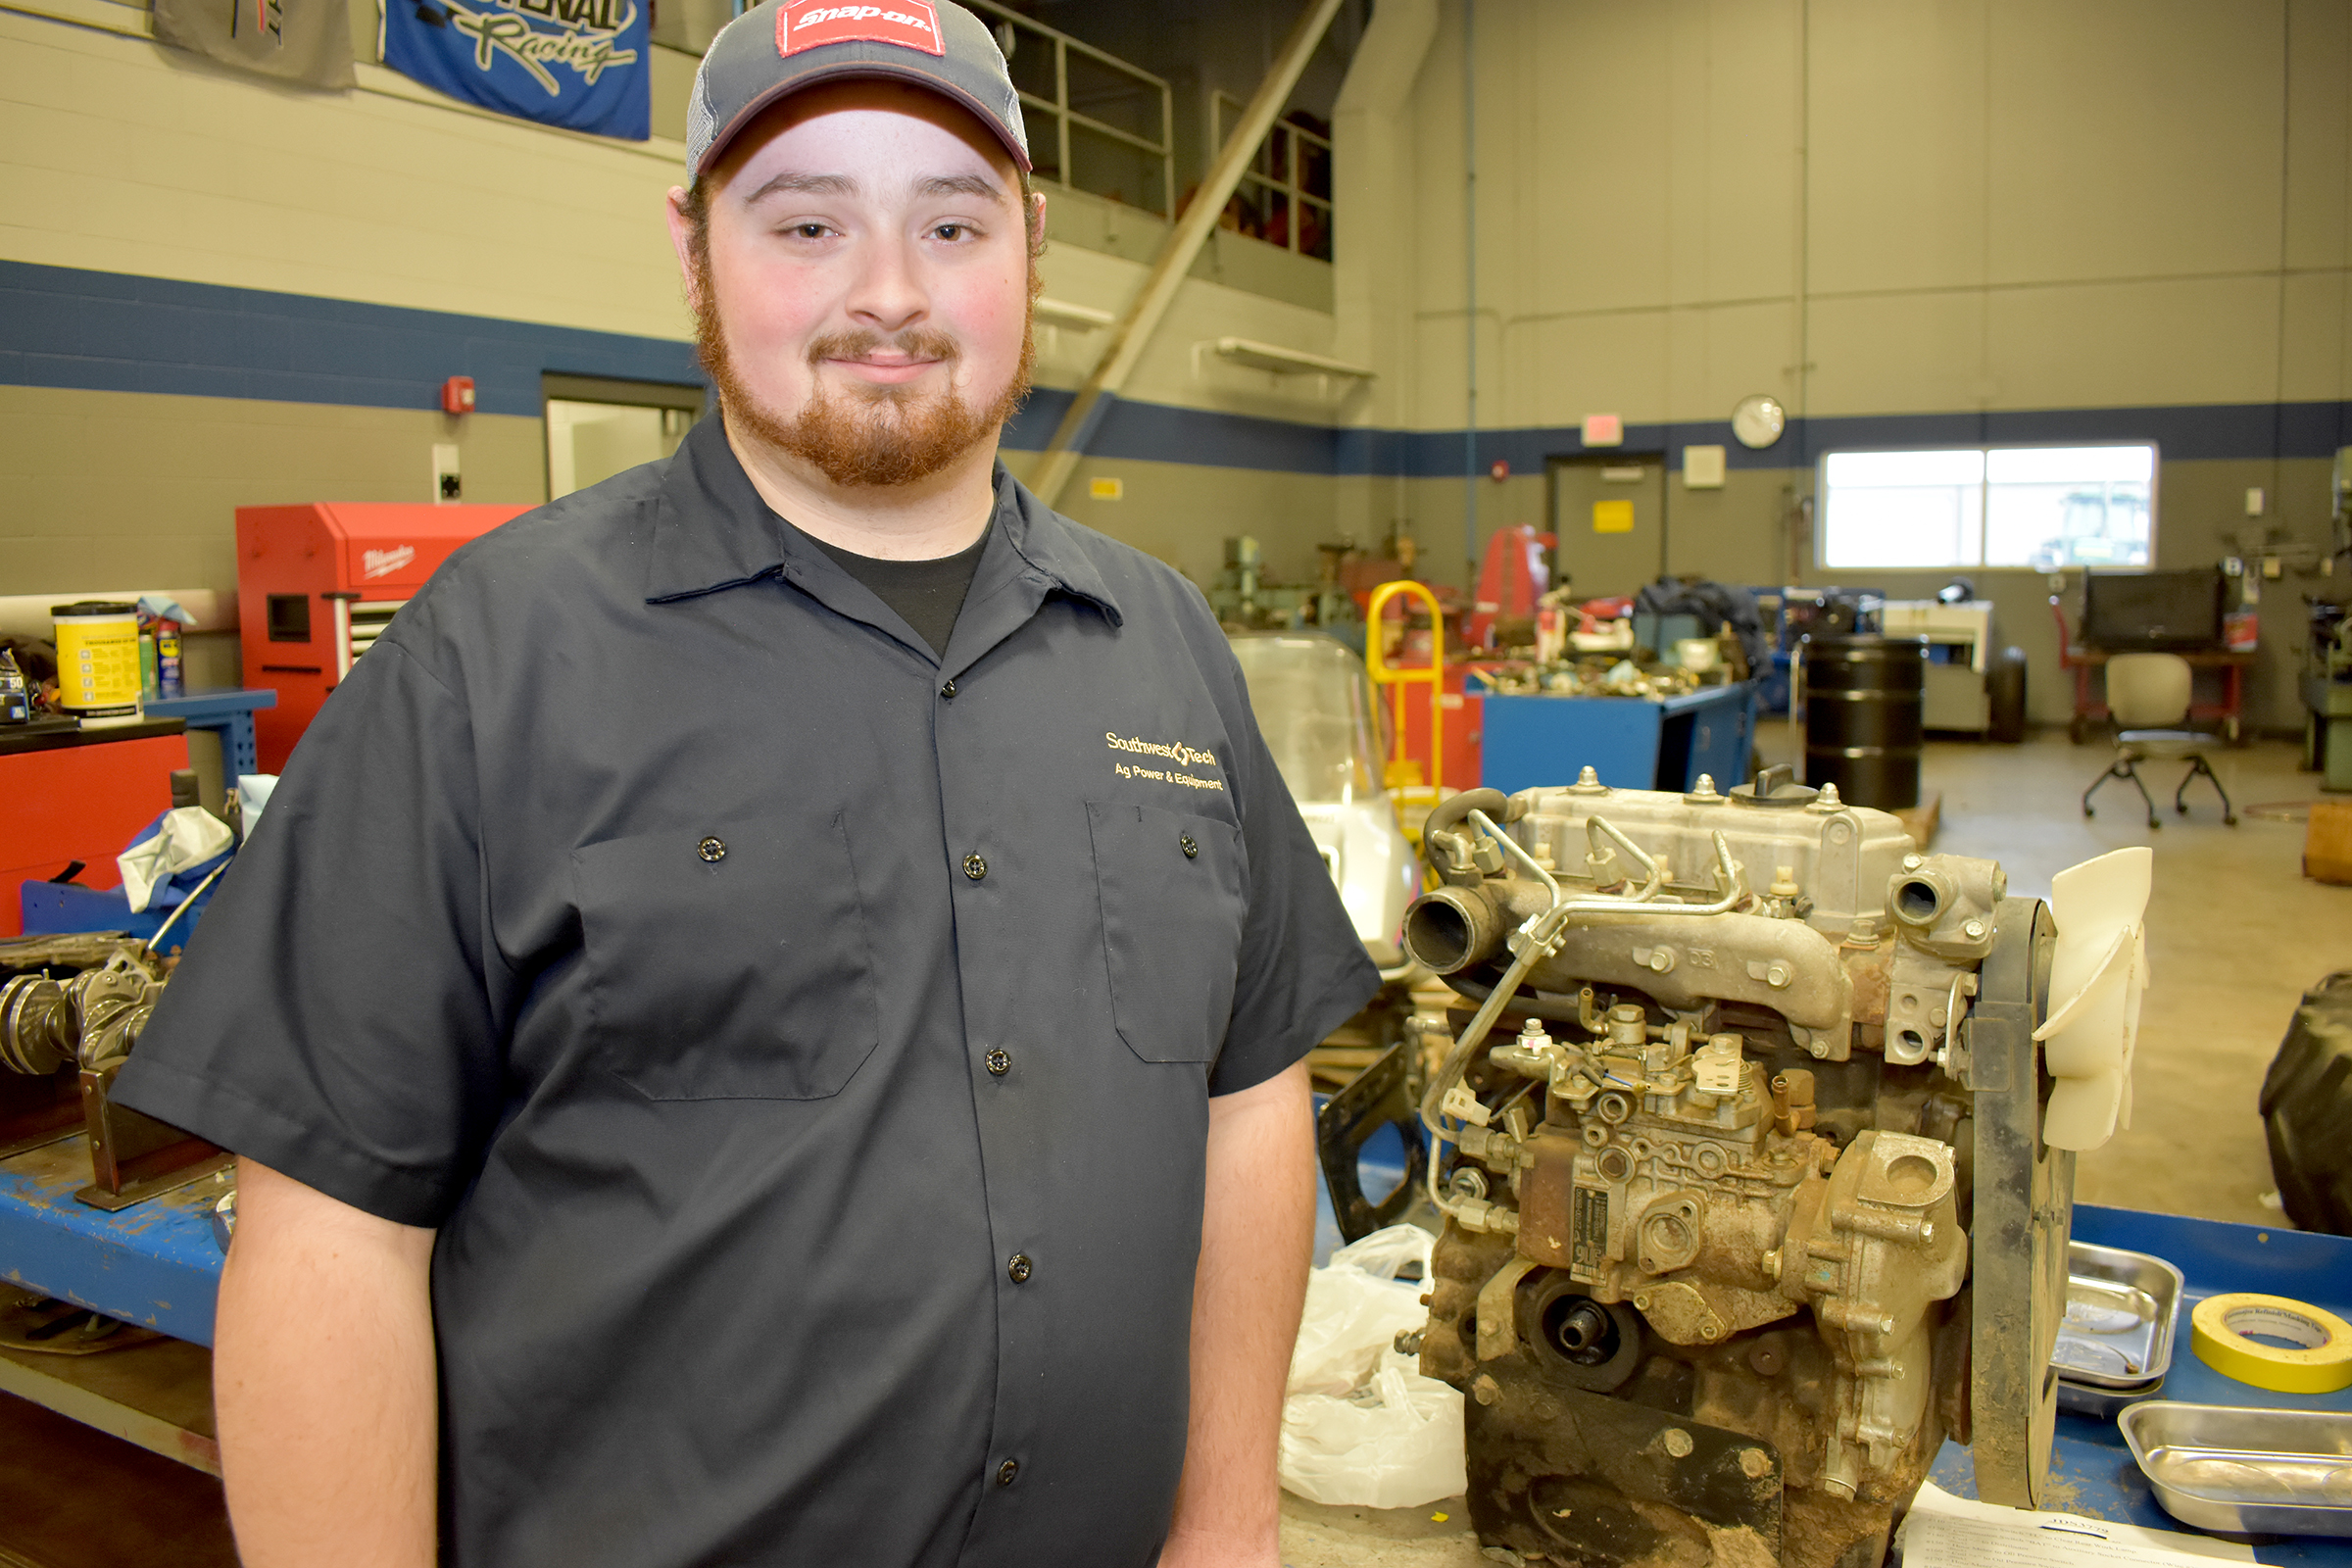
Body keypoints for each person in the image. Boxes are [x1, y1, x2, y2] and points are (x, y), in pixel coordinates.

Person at [111, 4, 1379, 1565]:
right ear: (693, 247)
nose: (890, 291)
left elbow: (1248, 1102)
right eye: (806, 221)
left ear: (1030, 247)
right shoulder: (493, 659)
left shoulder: (1161, 640)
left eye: (952, 220)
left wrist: (1230, 1524)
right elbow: (327, 1233)